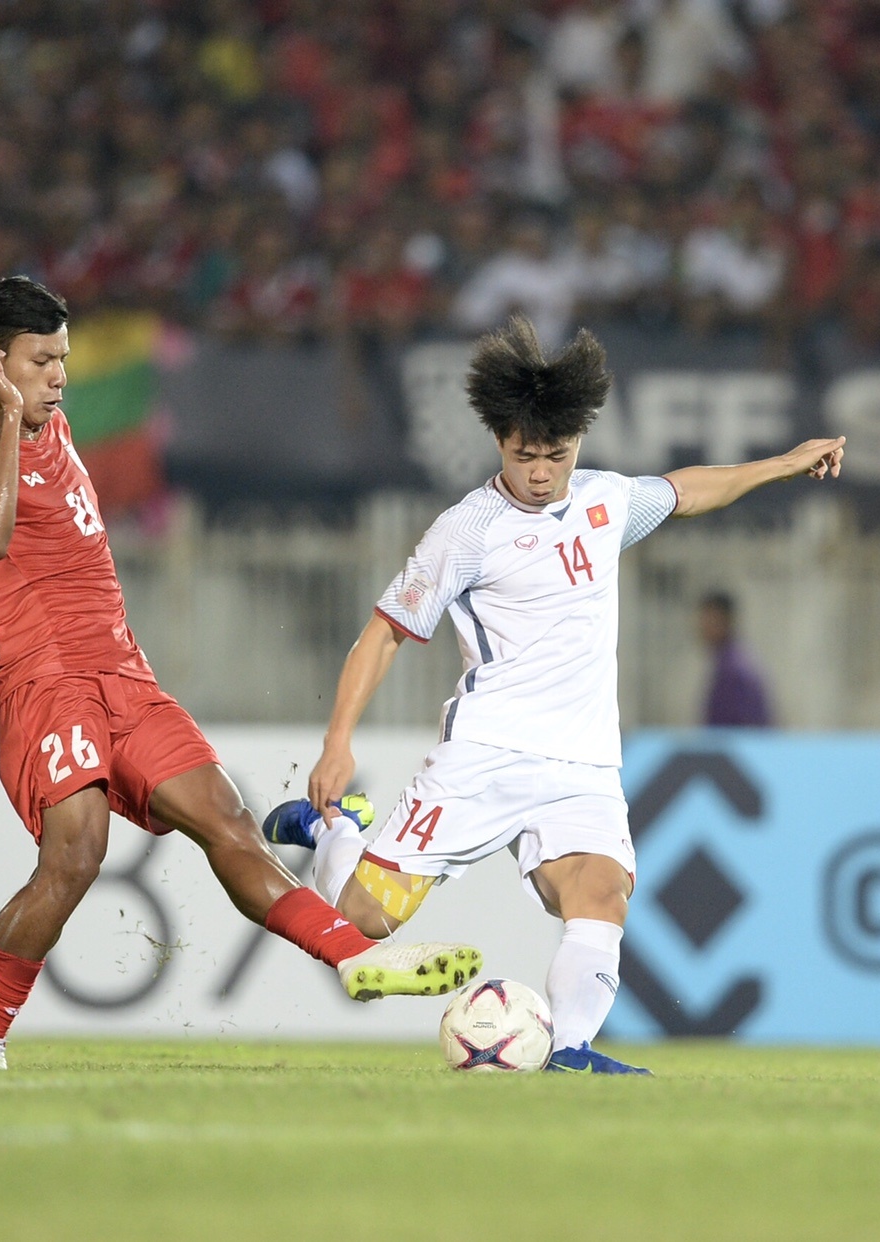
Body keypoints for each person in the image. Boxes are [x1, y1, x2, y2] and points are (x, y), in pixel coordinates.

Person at [265, 315, 843, 1074]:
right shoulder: (466, 531)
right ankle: (335, 830)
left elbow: (693, 491)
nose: (541, 472)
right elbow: (383, 634)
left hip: (583, 762)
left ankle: (569, 1049)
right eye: (523, 454)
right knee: (366, 920)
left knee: (601, 895)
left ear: (579, 443)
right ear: (499, 442)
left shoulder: (605, 503)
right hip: (488, 752)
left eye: (556, 455)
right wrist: (337, 744)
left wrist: (787, 463)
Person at [0, 277, 480, 1070]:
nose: (59, 376)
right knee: (76, 857)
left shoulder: (58, 430)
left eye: (64, 360)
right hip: (51, 687)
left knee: (228, 822)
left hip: (127, 675)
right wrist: (8, 422)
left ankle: (354, 959)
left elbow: (18, 566)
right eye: (41, 361)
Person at [699, 591, 772, 727]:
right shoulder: (726, 663)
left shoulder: (735, 670)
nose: (703, 627)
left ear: (726, 621)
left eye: (710, 620)